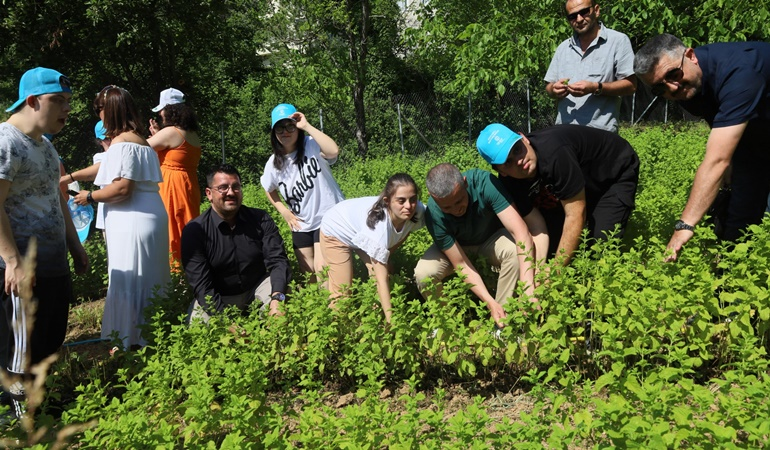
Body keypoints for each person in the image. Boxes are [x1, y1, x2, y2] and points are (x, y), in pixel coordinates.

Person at [0, 67, 88, 419]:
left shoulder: (46, 146)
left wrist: (75, 245)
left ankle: (42, 406)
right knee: (21, 348)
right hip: (23, 270)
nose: (67, 109)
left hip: (53, 265)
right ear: (33, 101)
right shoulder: (6, 141)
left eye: (68, 101)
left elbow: (56, 198)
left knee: (49, 341)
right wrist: (13, 262)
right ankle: (22, 420)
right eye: (59, 101)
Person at [634, 34, 770, 260]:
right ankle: (731, 281)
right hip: (756, 136)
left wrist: (684, 226)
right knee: (738, 223)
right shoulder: (689, 84)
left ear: (690, 55)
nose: (672, 87)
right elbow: (719, 123)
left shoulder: (740, 72)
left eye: (673, 75)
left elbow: (716, 160)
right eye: (659, 88)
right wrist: (730, 164)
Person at [73, 85, 169, 348]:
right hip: (149, 213)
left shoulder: (120, 142)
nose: (98, 115)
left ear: (111, 110)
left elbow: (122, 188)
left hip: (132, 219)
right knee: (149, 277)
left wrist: (89, 197)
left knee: (130, 275)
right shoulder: (139, 140)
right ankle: (153, 335)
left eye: (99, 109)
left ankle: (130, 341)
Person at [478, 123, 639, 265]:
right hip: (579, 181)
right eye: (507, 162)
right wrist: (540, 269)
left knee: (600, 242)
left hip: (613, 173)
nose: (519, 160)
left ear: (523, 138)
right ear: (501, 171)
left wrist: (555, 271)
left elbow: (575, 215)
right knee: (555, 246)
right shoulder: (509, 183)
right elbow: (536, 225)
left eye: (517, 149)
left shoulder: (554, 152)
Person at [414, 164, 536, 328]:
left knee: (514, 251)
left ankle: (503, 322)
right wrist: (488, 302)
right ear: (433, 197)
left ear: (465, 183)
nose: (456, 209)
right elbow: (461, 263)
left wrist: (528, 286)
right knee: (424, 273)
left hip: (490, 240)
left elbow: (521, 232)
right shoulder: (433, 213)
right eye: (447, 207)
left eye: (459, 200)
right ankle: (453, 327)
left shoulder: (485, 183)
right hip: (458, 249)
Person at [181, 164, 291, 322]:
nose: (231, 192)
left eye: (236, 187)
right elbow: (202, 285)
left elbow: (278, 260)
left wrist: (277, 298)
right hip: (220, 295)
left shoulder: (260, 219)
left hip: (256, 287)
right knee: (197, 324)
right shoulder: (195, 231)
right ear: (209, 193)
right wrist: (226, 322)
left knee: (286, 299)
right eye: (223, 188)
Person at [319, 173, 425, 324]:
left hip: (359, 229)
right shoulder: (379, 229)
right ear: (387, 201)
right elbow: (382, 280)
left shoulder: (418, 210)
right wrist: (392, 322)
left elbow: (407, 230)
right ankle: (336, 334)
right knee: (343, 292)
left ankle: (374, 317)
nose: (408, 206)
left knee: (386, 269)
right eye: (401, 201)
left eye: (413, 199)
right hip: (337, 230)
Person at [261, 104, 344, 280]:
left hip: (327, 217)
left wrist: (306, 125)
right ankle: (321, 306)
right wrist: (284, 211)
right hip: (301, 224)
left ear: (297, 126)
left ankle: (335, 306)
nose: (285, 131)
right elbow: (269, 189)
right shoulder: (273, 164)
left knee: (322, 271)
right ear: (274, 132)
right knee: (309, 275)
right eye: (280, 127)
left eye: (290, 125)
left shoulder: (312, 145)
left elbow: (333, 151)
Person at [544, 0, 636, 133]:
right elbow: (548, 87)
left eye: (584, 12)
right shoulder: (563, 48)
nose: (579, 19)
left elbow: (631, 86)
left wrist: (596, 87)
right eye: (572, 16)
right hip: (564, 133)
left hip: (600, 135)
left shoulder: (618, 41)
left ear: (596, 10)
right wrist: (554, 89)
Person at [147, 88, 202, 264]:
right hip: (188, 186)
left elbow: (141, 148)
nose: (160, 114)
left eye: (162, 109)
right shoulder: (191, 133)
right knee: (186, 227)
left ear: (170, 110)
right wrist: (158, 134)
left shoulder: (171, 131)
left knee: (172, 230)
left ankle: (175, 276)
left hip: (173, 188)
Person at [60, 121, 110, 231]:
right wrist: (71, 178)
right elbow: (101, 169)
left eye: (112, 136)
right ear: (100, 141)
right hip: (107, 211)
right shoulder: (99, 157)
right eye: (106, 138)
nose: (110, 141)